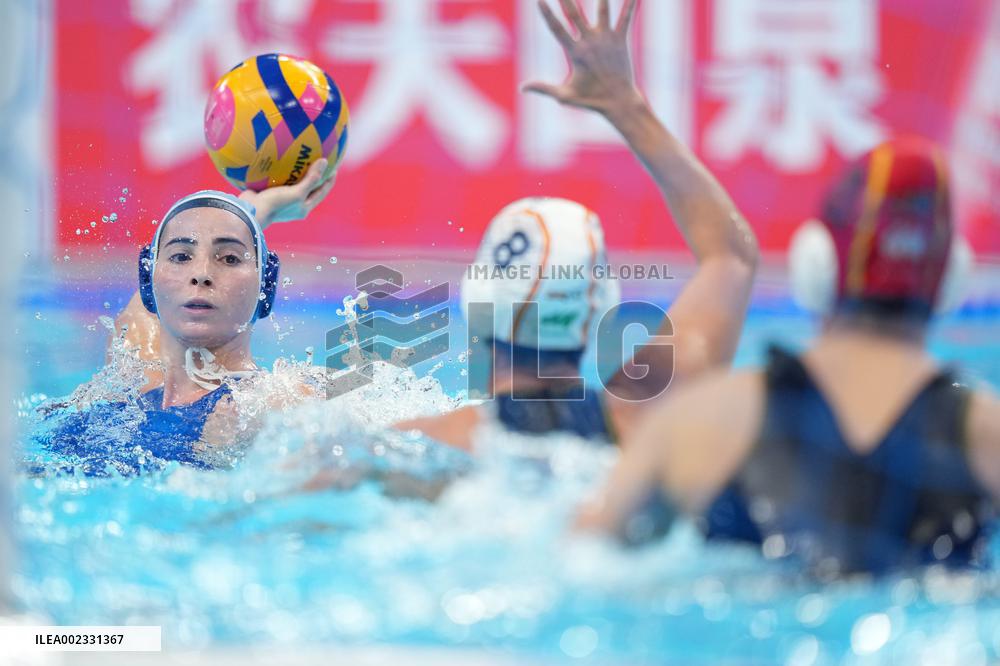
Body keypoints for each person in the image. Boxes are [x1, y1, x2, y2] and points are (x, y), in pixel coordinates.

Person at [577, 137, 1000, 575]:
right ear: (952, 278)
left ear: (817, 264)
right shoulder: (987, 434)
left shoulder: (704, 419)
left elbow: (585, 562)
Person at [395, 0, 758, 449]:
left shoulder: (429, 444)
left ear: (478, 305)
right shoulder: (642, 420)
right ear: (595, 317)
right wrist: (627, 108)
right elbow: (732, 257)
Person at [34, 161, 335, 473]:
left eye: (230, 258)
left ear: (266, 285)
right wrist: (256, 207)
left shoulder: (266, 401)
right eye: (180, 257)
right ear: (149, 279)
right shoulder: (131, 378)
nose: (201, 275)